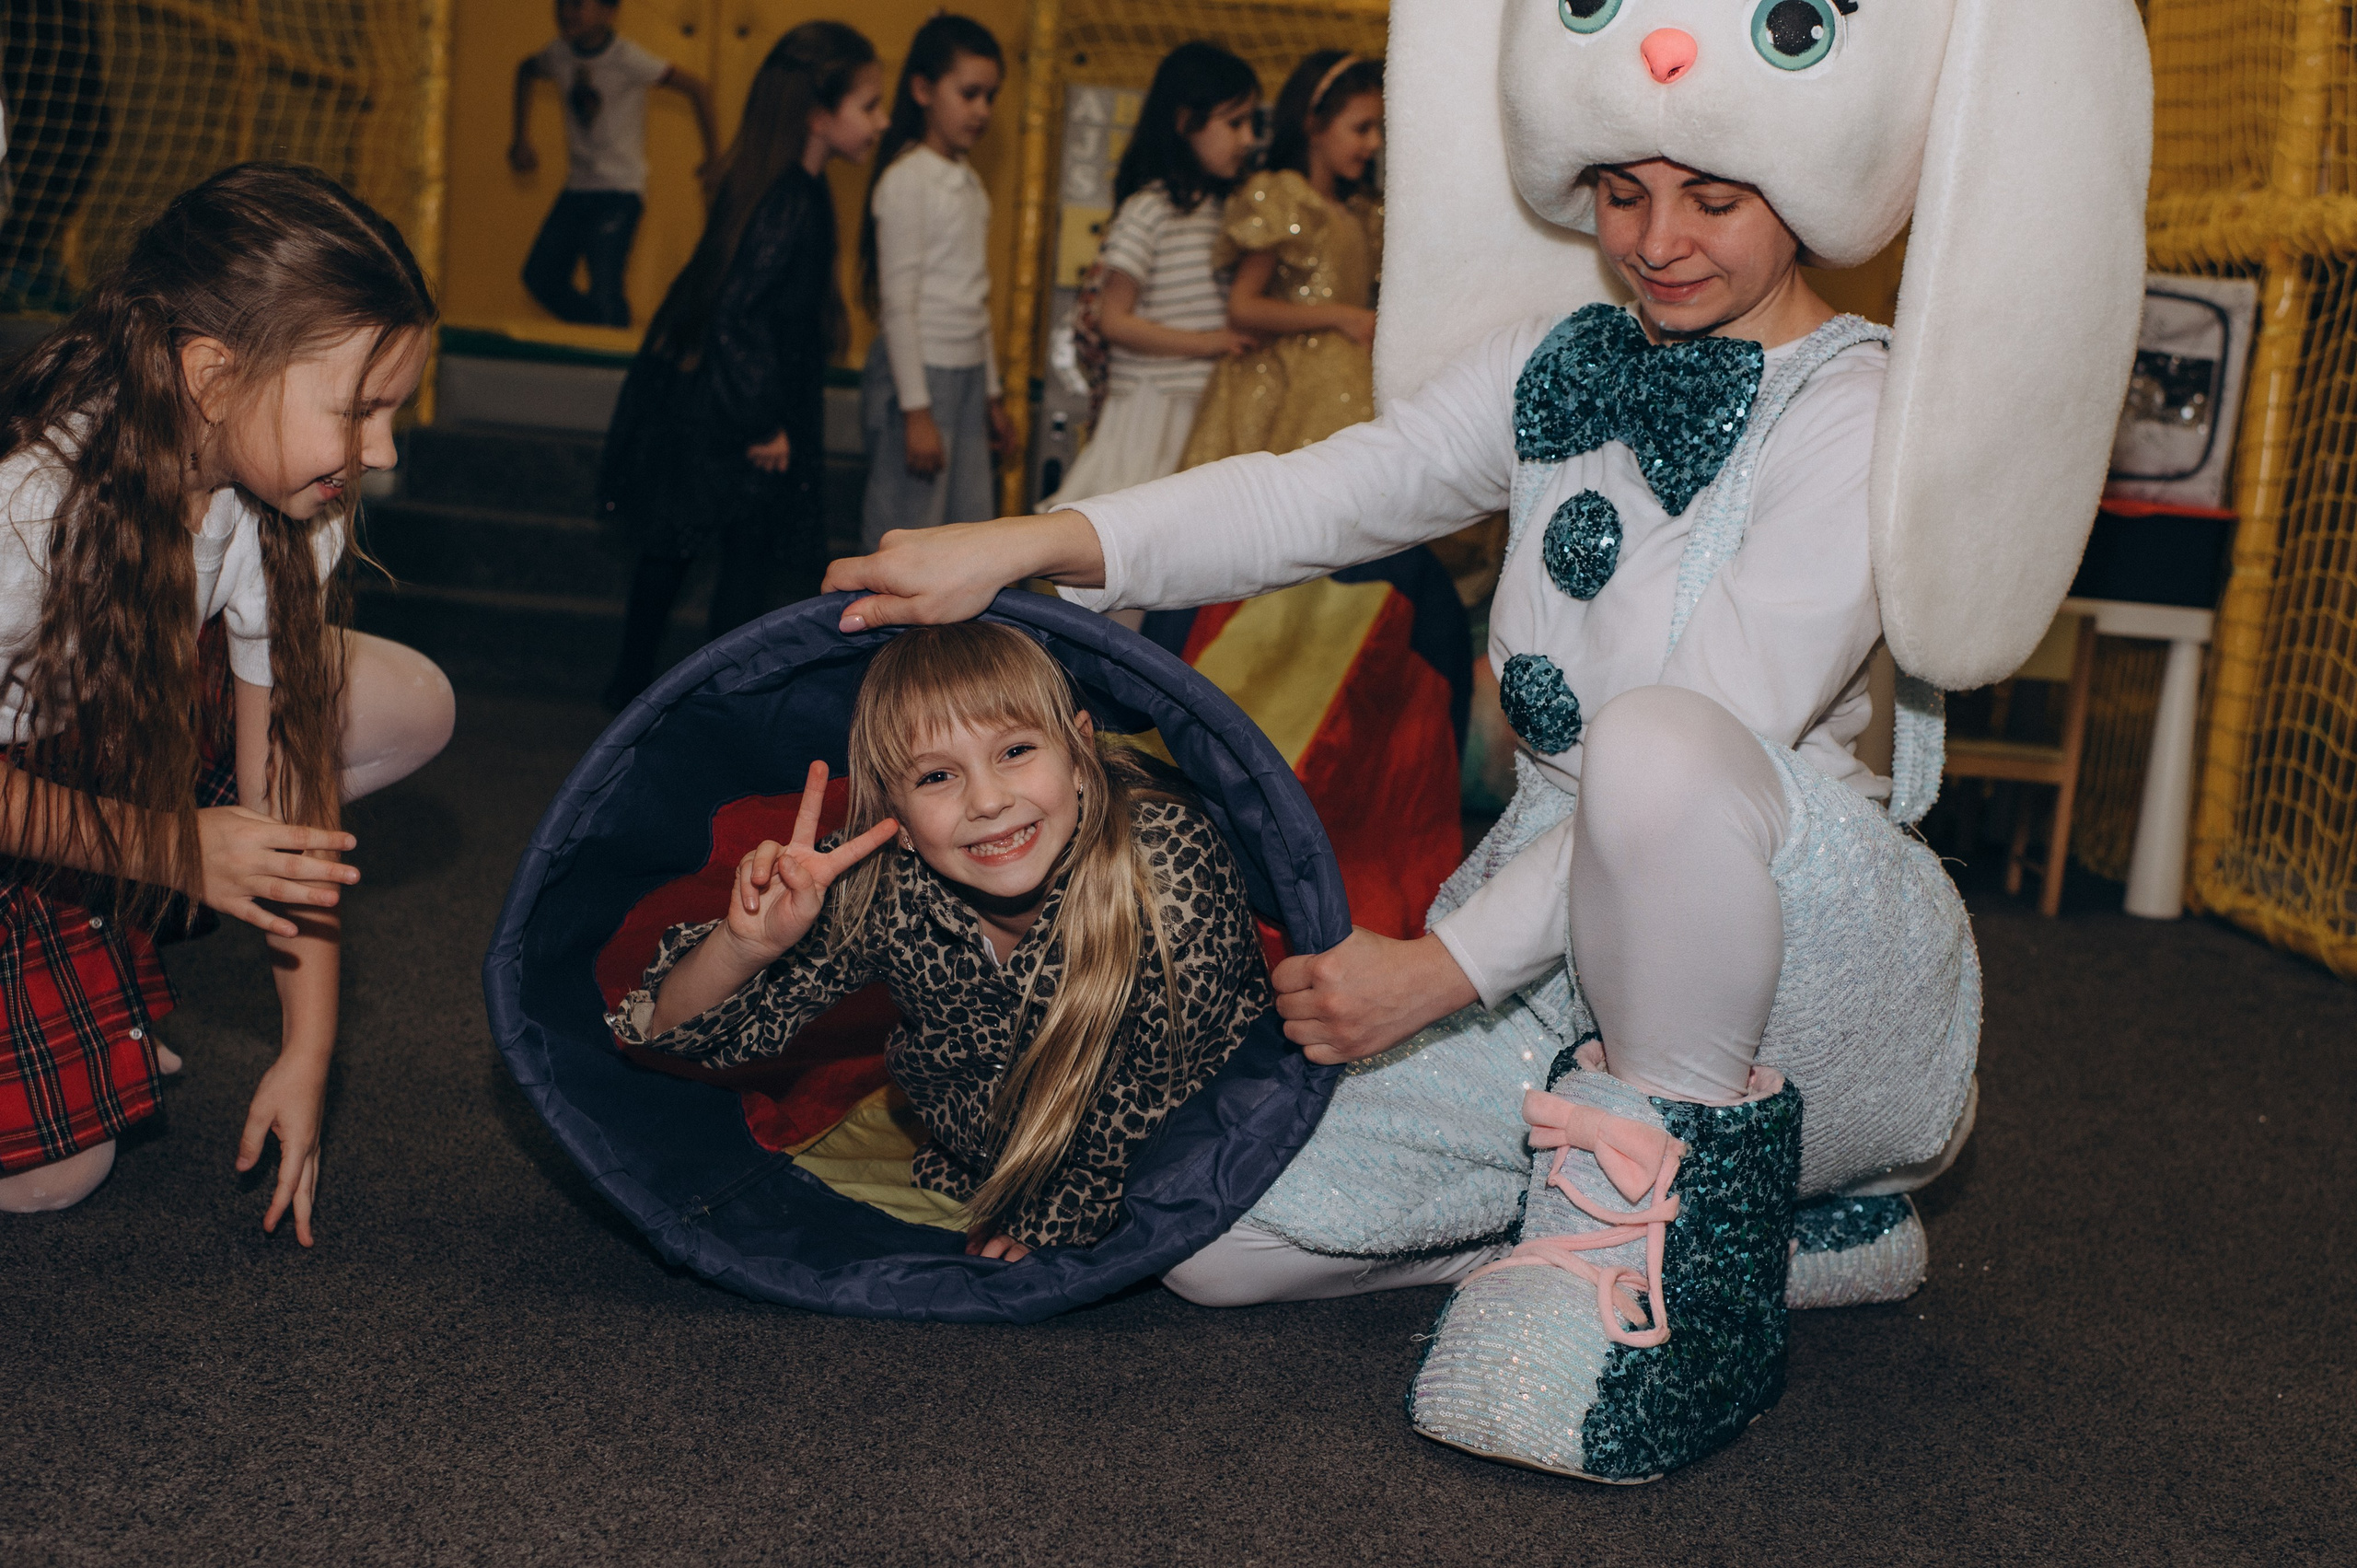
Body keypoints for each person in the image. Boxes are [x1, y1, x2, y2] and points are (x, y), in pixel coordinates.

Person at [0, 163, 456, 1237]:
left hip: (89, 767)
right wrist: (168, 848)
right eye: (359, 408)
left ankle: (99, 951)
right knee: (49, 1178)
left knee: (409, 699)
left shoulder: (286, 504)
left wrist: (308, 1050)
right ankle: (85, 946)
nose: (382, 450)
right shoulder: (32, 512)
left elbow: (290, 799)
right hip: (28, 789)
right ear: (212, 376)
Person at [609, 621, 1271, 1256]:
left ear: (1078, 752)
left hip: (1197, 1149)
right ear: (893, 809)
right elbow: (677, 1030)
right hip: (976, 1159)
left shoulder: (1164, 866)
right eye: (936, 776)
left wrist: (1057, 1216)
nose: (986, 801)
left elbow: (1164, 1094)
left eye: (1015, 751)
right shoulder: (883, 879)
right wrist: (745, 946)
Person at [597, 22, 888, 710]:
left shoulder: (786, 188)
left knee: (697, 552)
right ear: (817, 114)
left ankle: (650, 692)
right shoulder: (789, 199)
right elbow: (738, 313)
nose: (881, 121)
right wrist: (765, 422)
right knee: (733, 557)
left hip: (719, 407)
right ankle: (705, 702)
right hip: (733, 416)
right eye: (869, 105)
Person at [1039, 42, 1261, 513]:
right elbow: (1113, 320)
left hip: (1202, 400)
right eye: (1234, 122)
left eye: (1252, 124)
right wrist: (1208, 343)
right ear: (1185, 122)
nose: (1248, 139)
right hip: (1152, 408)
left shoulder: (1227, 211)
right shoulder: (1150, 209)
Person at [1175, 52, 1385, 470]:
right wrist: (1340, 317)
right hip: (1286, 385)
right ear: (1314, 124)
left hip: (1342, 380)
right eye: (1361, 128)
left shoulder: (1362, 213)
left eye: (1379, 129)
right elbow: (1244, 306)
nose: (1374, 143)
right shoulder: (1284, 198)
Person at [857, 15, 1015, 549]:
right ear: (923, 90)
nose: (982, 110)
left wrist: (991, 395)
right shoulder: (907, 180)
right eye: (969, 94)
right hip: (919, 380)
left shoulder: (970, 184)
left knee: (967, 529)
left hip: (966, 376)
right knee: (907, 532)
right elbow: (898, 306)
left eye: (990, 97)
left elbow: (975, 299)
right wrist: (917, 412)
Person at [508, 0, 718, 328]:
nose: (567, 13)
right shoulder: (558, 53)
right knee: (540, 276)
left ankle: (609, 332)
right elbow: (525, 69)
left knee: (605, 288)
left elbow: (697, 87)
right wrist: (520, 138)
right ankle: (604, 327)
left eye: (578, 5)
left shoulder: (627, 58)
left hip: (620, 191)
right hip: (578, 188)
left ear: (608, 13)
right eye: (562, 4)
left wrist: (714, 158)